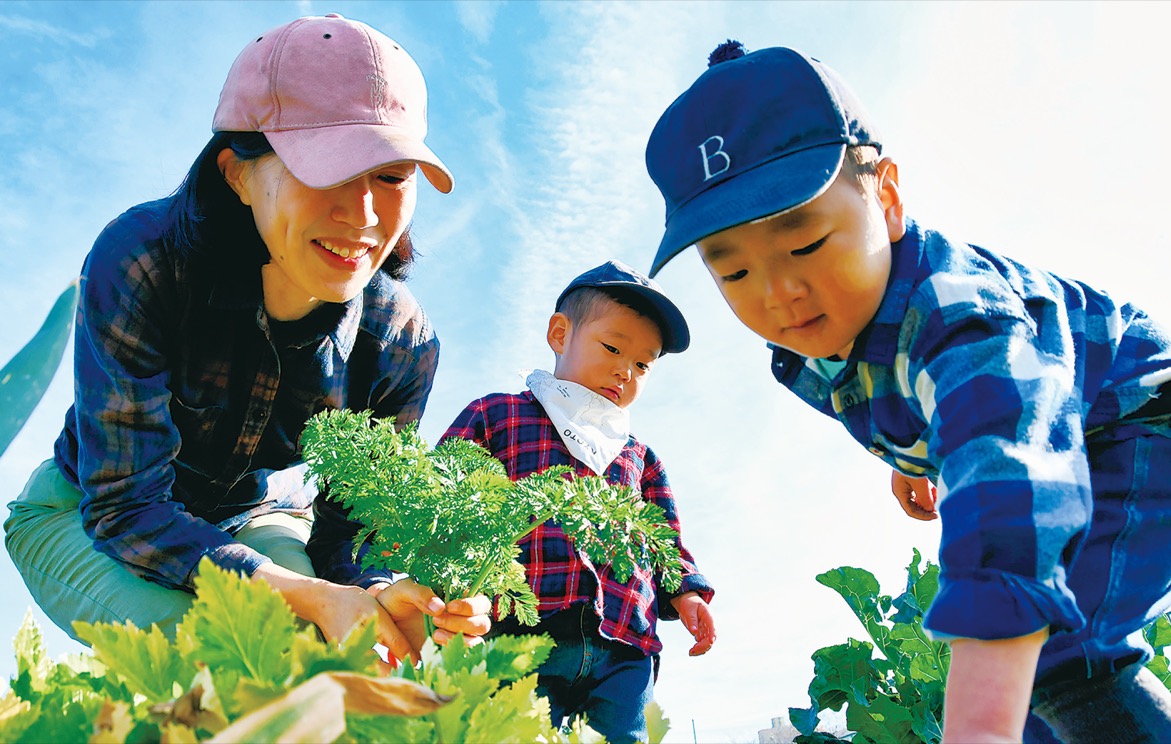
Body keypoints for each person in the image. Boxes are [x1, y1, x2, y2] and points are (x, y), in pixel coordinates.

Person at [642, 41, 1171, 743]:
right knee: (1036, 692)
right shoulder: (807, 351)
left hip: (1129, 422)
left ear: (889, 196)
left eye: (805, 244)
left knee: (1060, 651)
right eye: (734, 274)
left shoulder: (962, 318)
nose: (780, 293)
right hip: (1047, 437)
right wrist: (912, 462)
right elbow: (900, 400)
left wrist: (977, 728)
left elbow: (1011, 477)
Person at [3, 14, 491, 663]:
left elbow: (348, 534)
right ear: (236, 172)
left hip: (265, 522)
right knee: (239, 658)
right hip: (90, 521)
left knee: (361, 674)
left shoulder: (402, 343)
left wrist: (381, 590)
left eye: (392, 175)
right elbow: (127, 509)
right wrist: (310, 597)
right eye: (329, 168)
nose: (365, 214)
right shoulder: (142, 264)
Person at [441, 260, 716, 743]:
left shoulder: (639, 456)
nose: (624, 370)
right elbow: (443, 493)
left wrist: (687, 592)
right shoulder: (498, 414)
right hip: (522, 634)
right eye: (612, 347)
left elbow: (665, 541)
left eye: (643, 364)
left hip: (625, 644)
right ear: (559, 333)